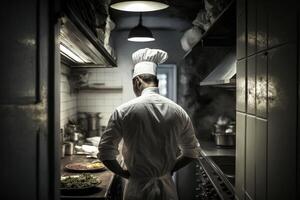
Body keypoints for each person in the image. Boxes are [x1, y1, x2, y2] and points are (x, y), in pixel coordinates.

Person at [98, 48, 200, 200]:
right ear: (156, 82)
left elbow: (105, 152)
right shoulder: (179, 112)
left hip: (136, 190)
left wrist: (125, 174)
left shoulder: (123, 111)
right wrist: (168, 171)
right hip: (167, 190)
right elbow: (192, 153)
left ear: (137, 81)